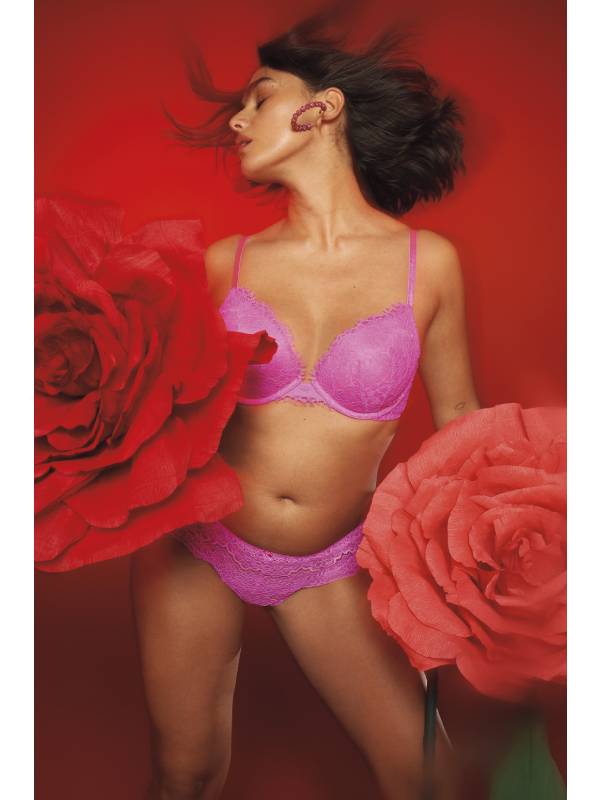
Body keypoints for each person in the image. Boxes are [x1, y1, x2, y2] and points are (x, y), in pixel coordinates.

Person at [130, 11, 480, 800]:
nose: (238, 121)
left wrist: (471, 567)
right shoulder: (225, 263)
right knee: (184, 775)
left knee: (428, 781)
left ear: (322, 109)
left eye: (259, 97)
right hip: (197, 543)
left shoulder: (428, 264)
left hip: (331, 562)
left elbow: (462, 419)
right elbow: (162, 406)